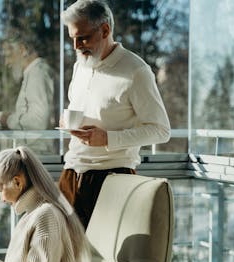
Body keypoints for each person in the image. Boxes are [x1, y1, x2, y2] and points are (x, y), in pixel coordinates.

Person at [58, 0, 171, 229]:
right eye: (72, 38)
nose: (76, 46)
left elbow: (161, 130)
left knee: (102, 261)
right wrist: (68, 122)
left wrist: (108, 138)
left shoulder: (136, 71)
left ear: (105, 30)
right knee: (62, 258)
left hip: (112, 179)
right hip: (70, 174)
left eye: (83, 37)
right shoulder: (80, 66)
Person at [0, 36, 56, 153]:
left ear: (22, 50)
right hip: (35, 155)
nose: (7, 63)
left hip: (38, 156)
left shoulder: (37, 74)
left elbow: (39, 120)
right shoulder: (33, 74)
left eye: (8, 56)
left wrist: (9, 120)